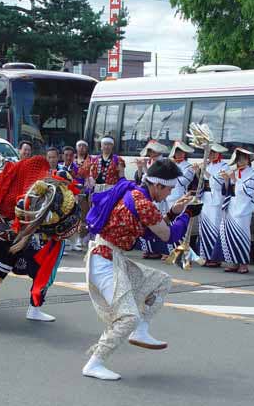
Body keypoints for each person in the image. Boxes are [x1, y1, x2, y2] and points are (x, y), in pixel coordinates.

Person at [82, 159, 199, 380]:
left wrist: (175, 214)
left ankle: (141, 331)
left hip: (112, 258)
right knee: (128, 317)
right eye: (169, 189)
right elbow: (167, 236)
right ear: (157, 185)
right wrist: (188, 215)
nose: (168, 194)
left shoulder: (138, 196)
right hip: (104, 260)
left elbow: (150, 232)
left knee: (161, 281)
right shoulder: (142, 202)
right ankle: (94, 363)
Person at [0, 158, 81, 332]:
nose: (41, 173)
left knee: (42, 272)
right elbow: (6, 209)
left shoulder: (47, 189)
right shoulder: (10, 183)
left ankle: (35, 309)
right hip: (2, 236)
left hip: (29, 237)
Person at [211, 147, 254, 274]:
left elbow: (249, 190)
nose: (241, 161)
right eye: (238, 159)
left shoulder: (252, 172)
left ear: (248, 160)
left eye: (243, 158)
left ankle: (243, 263)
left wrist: (234, 180)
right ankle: (232, 262)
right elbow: (227, 191)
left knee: (242, 235)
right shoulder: (233, 172)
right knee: (228, 234)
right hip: (231, 205)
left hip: (243, 208)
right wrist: (226, 180)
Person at [135, 140, 170, 260]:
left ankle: (163, 250)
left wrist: (145, 167)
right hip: (148, 195)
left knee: (159, 221)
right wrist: (140, 168)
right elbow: (141, 180)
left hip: (158, 194)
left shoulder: (164, 162)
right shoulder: (149, 162)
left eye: (153, 150)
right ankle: (150, 249)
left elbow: (155, 178)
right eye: (149, 151)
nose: (151, 153)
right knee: (147, 222)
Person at [198, 143, 229, 267]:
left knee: (215, 227)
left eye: (212, 153)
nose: (210, 155)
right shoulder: (208, 165)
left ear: (218, 154)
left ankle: (215, 257)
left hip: (216, 199)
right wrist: (198, 172)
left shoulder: (224, 166)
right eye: (209, 153)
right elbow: (200, 182)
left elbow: (218, 184)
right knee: (203, 227)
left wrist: (205, 172)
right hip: (205, 199)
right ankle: (205, 256)